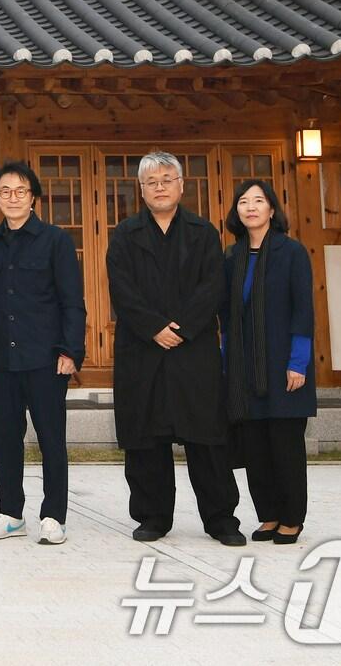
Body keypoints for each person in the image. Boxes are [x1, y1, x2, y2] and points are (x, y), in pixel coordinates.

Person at [107, 151, 244, 546]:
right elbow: (122, 288)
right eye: (152, 181)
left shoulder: (203, 232)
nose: (161, 186)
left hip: (193, 350)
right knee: (146, 438)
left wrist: (180, 329)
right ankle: (153, 515)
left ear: (182, 186)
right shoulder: (126, 233)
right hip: (142, 349)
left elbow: (213, 286)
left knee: (207, 438)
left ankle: (221, 519)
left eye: (168, 179)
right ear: (141, 190)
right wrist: (153, 328)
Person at [0, 161, 86, 546]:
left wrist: (71, 350)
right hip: (2, 360)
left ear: (34, 197)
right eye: (4, 191)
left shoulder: (56, 241)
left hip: (46, 358)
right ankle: (10, 512)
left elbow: (72, 301)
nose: (12, 197)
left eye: (20, 190)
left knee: (51, 438)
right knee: (5, 438)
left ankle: (54, 515)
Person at [222, 179, 315, 545]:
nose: (250, 207)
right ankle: (269, 515)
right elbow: (227, 316)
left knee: (285, 444)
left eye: (258, 201)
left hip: (284, 362)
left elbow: (302, 309)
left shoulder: (291, 252)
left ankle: (292, 517)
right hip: (246, 365)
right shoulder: (233, 257)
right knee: (256, 446)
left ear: (272, 210)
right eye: (243, 202)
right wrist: (227, 362)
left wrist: (299, 362)